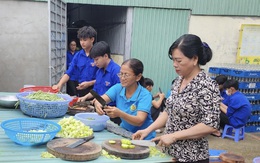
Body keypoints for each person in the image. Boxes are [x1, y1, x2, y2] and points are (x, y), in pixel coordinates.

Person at [132, 34, 221, 162]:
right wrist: (147, 130)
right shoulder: (178, 81)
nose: (174, 65)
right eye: (173, 60)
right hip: (171, 153)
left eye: (179, 61)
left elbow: (210, 124)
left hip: (192, 157)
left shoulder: (207, 85)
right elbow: (168, 111)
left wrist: (174, 136)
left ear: (195, 59)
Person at [94, 58, 156, 140]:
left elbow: (139, 121)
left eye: (126, 75)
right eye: (120, 74)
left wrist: (120, 114)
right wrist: (97, 104)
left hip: (143, 137)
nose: (122, 78)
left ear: (138, 77)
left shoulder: (145, 95)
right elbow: (100, 99)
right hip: (125, 131)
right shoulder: (118, 88)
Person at [78, 41, 121, 125]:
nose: (95, 63)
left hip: (113, 113)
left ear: (105, 56)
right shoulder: (99, 71)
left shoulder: (116, 71)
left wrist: (101, 99)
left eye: (96, 59)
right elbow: (95, 91)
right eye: (94, 60)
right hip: (100, 109)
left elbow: (120, 94)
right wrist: (85, 97)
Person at [52, 26, 98, 97]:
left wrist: (90, 83)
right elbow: (69, 72)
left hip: (96, 90)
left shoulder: (98, 55)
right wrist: (59, 84)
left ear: (92, 39)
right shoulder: (78, 55)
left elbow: (104, 77)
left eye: (85, 40)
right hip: (81, 88)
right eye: (81, 40)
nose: (82, 43)